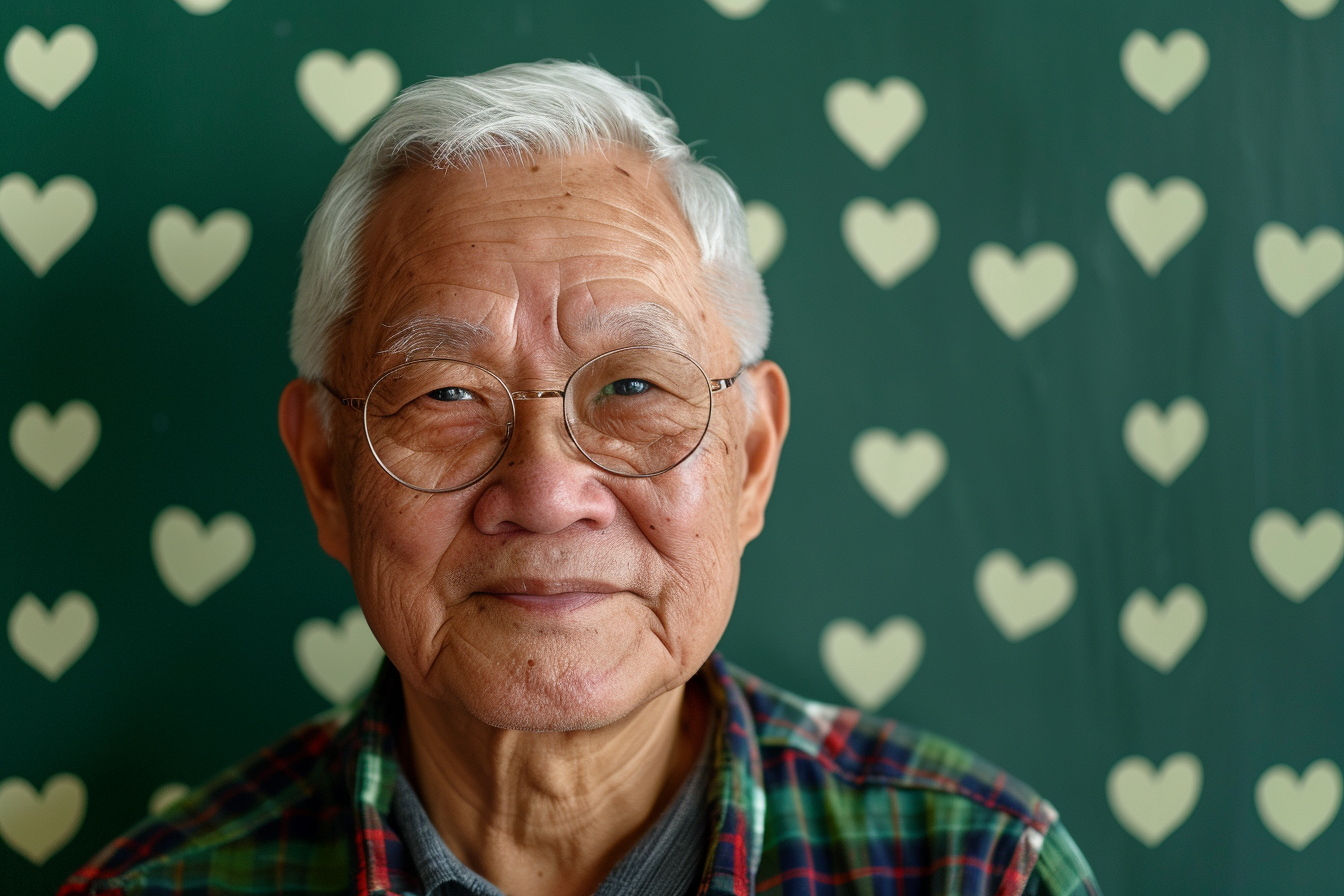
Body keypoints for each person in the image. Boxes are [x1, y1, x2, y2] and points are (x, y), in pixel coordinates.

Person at [59, 60, 1100, 896]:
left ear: (751, 458)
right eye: (447, 395)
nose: (550, 491)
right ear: (327, 470)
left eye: (635, 386)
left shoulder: (983, 870)